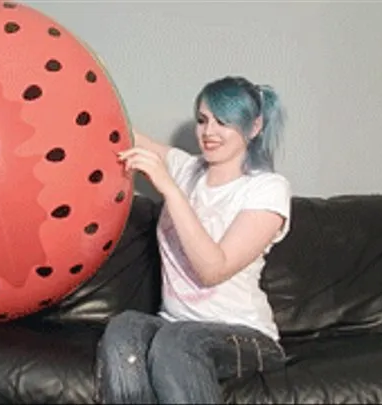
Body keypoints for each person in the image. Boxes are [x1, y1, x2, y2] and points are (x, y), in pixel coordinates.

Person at [96, 75, 292, 404]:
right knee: (124, 328)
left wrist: (170, 190)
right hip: (174, 326)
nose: (208, 132)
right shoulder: (186, 169)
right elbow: (118, 132)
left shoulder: (267, 188)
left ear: (254, 127)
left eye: (223, 122)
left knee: (179, 341)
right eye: (202, 120)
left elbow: (213, 269)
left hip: (244, 335)